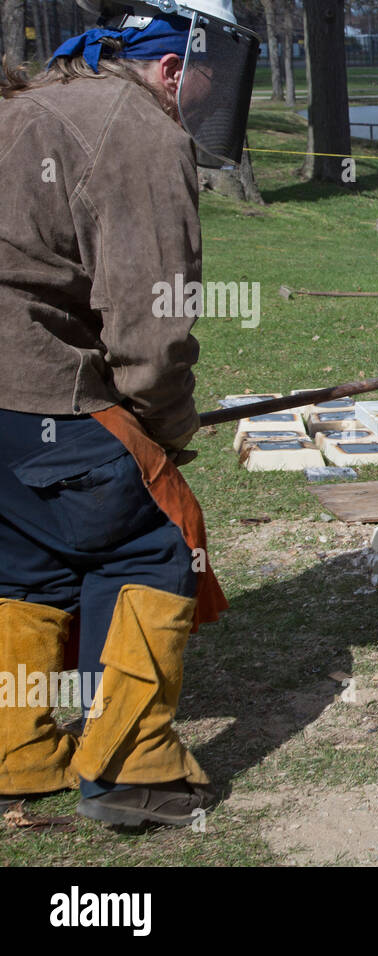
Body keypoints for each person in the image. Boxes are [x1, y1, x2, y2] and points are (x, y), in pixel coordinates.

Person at [0, 0, 258, 826]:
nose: (204, 102)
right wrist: (166, 425)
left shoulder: (30, 106)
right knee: (154, 542)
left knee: (27, 569)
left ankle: (19, 754)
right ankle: (128, 768)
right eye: (204, 84)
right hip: (52, 396)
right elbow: (152, 322)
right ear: (174, 69)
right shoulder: (137, 131)